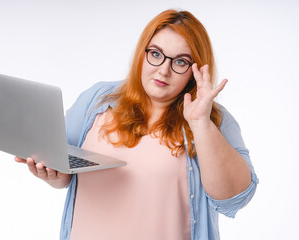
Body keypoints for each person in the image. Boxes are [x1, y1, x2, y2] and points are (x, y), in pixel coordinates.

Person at [15, 9, 258, 240]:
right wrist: (50, 174)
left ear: (196, 71)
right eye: (155, 54)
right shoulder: (97, 99)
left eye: (180, 62)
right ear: (142, 53)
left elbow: (233, 199)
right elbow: (64, 171)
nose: (163, 70)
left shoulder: (212, 120)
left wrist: (201, 124)